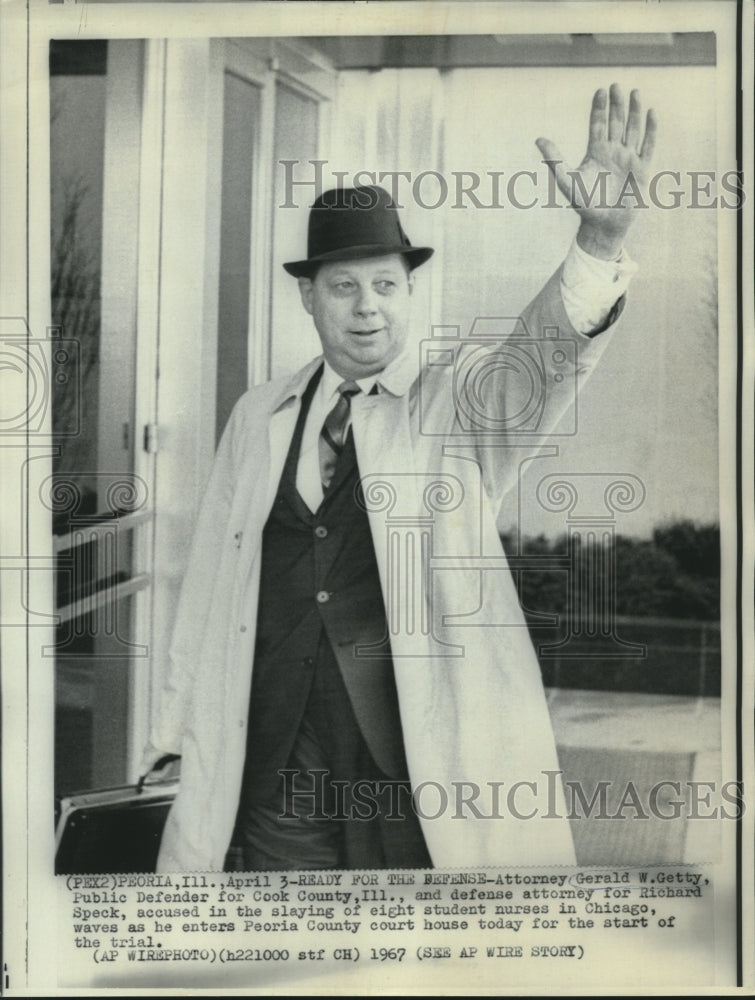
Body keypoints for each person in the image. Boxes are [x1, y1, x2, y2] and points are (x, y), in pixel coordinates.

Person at [142, 84, 657, 871]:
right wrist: (174, 740)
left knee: (418, 964)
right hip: (280, 756)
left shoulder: (458, 399)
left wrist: (594, 243)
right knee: (285, 960)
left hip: (418, 761)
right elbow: (209, 585)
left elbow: (541, 364)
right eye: (343, 287)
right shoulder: (258, 417)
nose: (366, 309)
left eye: (385, 285)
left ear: (409, 290)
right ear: (308, 296)